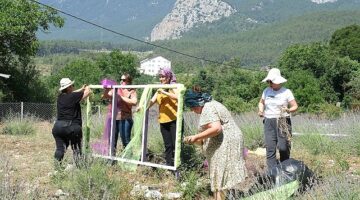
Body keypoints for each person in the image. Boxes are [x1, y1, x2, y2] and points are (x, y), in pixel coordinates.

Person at [183, 87, 247, 200]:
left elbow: (216, 129)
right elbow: (206, 137)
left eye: (193, 107)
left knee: (219, 175)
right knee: (220, 176)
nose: (192, 110)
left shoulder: (208, 108)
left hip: (225, 143)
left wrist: (196, 137)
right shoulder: (211, 104)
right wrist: (193, 140)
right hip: (227, 141)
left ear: (198, 103)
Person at [258, 68, 298, 169]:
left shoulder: (286, 92)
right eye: (268, 81)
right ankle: (272, 173)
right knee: (270, 148)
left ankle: (285, 169)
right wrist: (261, 110)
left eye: (271, 81)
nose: (269, 83)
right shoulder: (266, 91)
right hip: (269, 121)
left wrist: (288, 110)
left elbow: (295, 106)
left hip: (282, 121)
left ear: (278, 81)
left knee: (283, 147)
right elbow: (261, 102)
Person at [52, 78, 91, 168]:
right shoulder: (73, 97)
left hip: (58, 127)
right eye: (72, 86)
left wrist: (81, 89)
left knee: (60, 149)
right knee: (76, 149)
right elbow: (87, 92)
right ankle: (79, 168)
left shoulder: (60, 97)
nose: (73, 87)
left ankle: (57, 169)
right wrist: (87, 87)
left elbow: (73, 94)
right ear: (69, 87)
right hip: (71, 127)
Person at [147, 68, 179, 166]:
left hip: (174, 120)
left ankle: (177, 165)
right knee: (168, 145)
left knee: (176, 145)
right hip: (163, 121)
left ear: (169, 77)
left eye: (163, 76)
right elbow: (152, 101)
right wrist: (143, 107)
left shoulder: (174, 87)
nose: (161, 79)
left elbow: (178, 97)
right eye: (160, 77)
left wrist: (164, 92)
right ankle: (169, 165)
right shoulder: (159, 90)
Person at [115, 74, 137, 149]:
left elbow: (134, 102)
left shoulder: (131, 90)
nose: (121, 81)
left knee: (125, 140)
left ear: (128, 81)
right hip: (116, 118)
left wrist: (121, 97)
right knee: (113, 139)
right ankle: (113, 159)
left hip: (126, 118)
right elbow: (105, 96)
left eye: (124, 80)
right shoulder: (117, 89)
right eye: (121, 79)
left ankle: (129, 158)